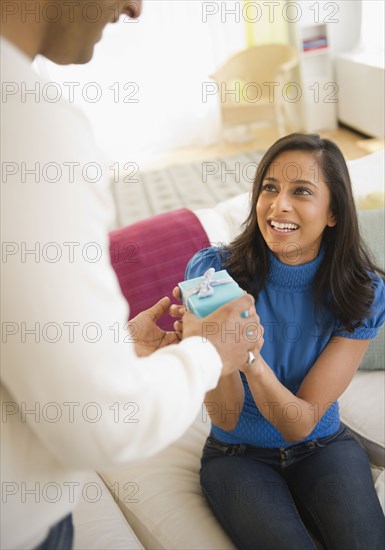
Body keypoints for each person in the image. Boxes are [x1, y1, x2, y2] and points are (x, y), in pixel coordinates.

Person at [0, 2, 260, 549]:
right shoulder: (28, 124)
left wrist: (107, 351)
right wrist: (210, 352)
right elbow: (104, 423)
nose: (137, 7)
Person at [181, 133, 385, 549]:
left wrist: (249, 354)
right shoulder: (212, 274)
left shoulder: (364, 292)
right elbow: (225, 414)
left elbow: (301, 422)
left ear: (333, 213)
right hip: (237, 457)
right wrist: (217, 346)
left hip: (323, 445)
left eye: (302, 192)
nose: (279, 205)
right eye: (269, 188)